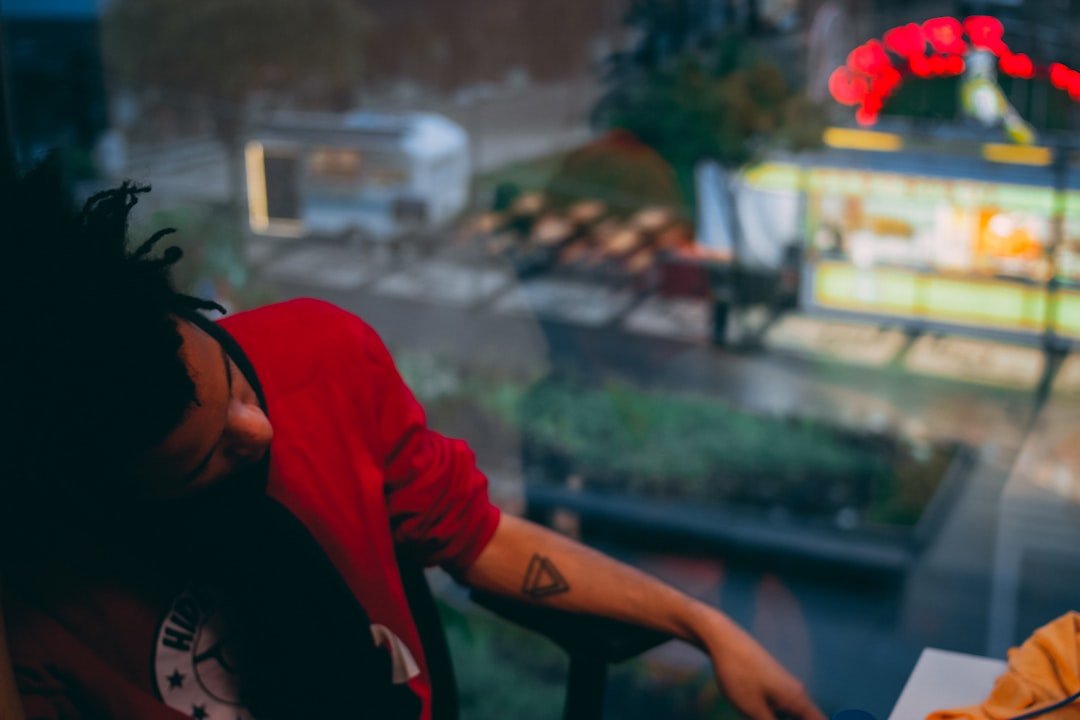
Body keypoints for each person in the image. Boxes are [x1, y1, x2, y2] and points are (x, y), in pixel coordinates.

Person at [0, 159, 825, 720]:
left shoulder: (320, 355)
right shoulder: (43, 589)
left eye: (235, 385)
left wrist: (703, 625)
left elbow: (478, 536)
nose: (258, 431)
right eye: (205, 457)